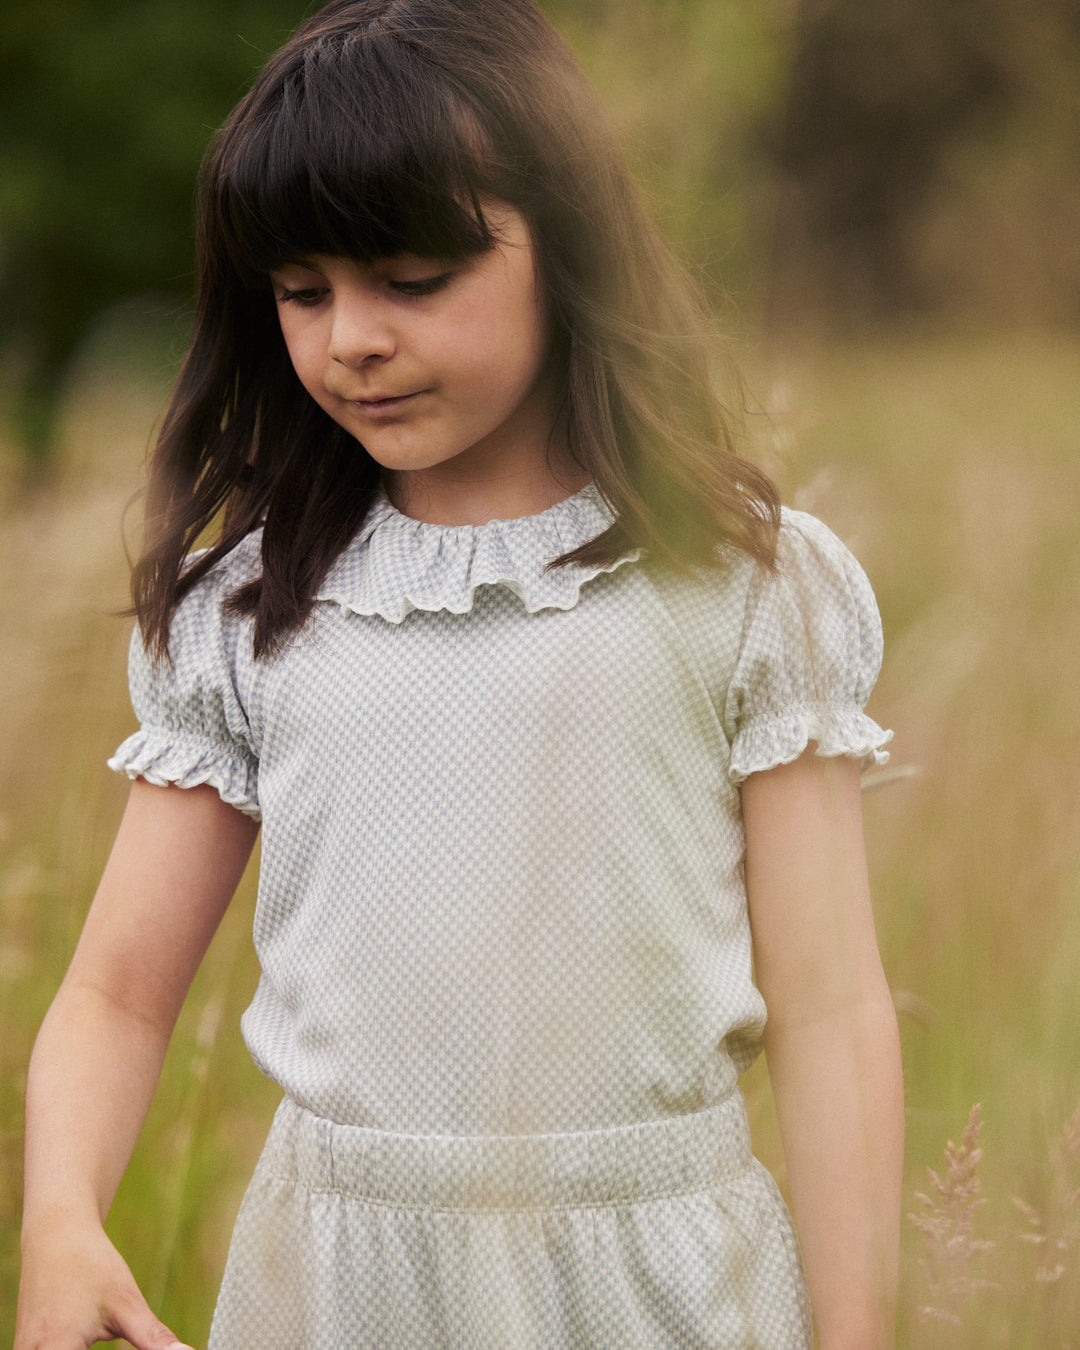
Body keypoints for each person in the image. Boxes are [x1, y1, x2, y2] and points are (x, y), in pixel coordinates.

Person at [15, 1, 903, 1347]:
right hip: (334, 1286)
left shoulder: (742, 587)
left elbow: (833, 1008)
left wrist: (854, 1328)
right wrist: (61, 1214)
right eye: (303, 292)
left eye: (411, 279)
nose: (350, 338)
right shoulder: (259, 606)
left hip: (662, 1286)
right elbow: (118, 993)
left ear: (572, 247)